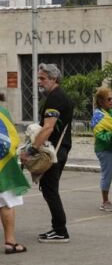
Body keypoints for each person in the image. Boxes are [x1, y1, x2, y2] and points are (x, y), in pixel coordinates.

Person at [20, 63, 73, 243]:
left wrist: (31, 150)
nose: (39, 82)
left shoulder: (55, 98)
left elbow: (48, 127)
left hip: (55, 151)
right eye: (39, 78)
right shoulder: (57, 96)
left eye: (42, 78)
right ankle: (58, 228)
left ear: (53, 79)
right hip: (60, 149)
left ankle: (60, 230)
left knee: (50, 190)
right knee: (50, 190)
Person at [0, 96, 30, 254]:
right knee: (7, 203)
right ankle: (10, 242)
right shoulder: (3, 113)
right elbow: (11, 139)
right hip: (4, 168)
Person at [91, 87, 112, 212]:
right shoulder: (98, 115)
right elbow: (100, 135)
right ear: (100, 101)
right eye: (109, 99)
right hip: (105, 149)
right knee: (108, 175)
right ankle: (105, 201)